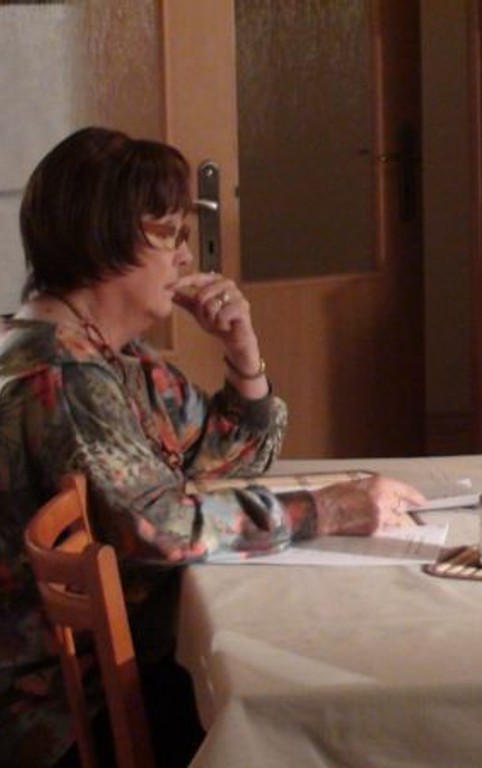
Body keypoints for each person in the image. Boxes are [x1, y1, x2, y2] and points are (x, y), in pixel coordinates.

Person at [0, 127, 426, 767]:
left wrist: (242, 352)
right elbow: (162, 529)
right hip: (72, 715)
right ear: (104, 240)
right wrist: (330, 509)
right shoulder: (64, 376)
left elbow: (226, 455)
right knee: (338, 709)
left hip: (119, 674)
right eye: (168, 234)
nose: (184, 257)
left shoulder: (105, 354)